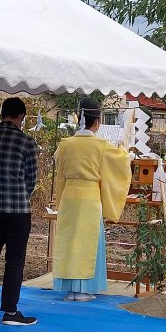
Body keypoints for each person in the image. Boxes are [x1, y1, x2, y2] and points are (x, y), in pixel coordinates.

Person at [52, 98, 131, 301]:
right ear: (97, 122)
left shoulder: (65, 145)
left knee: (70, 241)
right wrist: (124, 150)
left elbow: (60, 174)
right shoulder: (101, 145)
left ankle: (70, 289)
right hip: (89, 197)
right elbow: (121, 162)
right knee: (88, 242)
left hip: (69, 196)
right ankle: (84, 289)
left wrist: (59, 200)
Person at [0, 97, 39, 325]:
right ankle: (10, 311)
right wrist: (20, 195)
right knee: (15, 261)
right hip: (17, 211)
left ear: (2, 114)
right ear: (21, 116)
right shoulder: (27, 143)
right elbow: (31, 180)